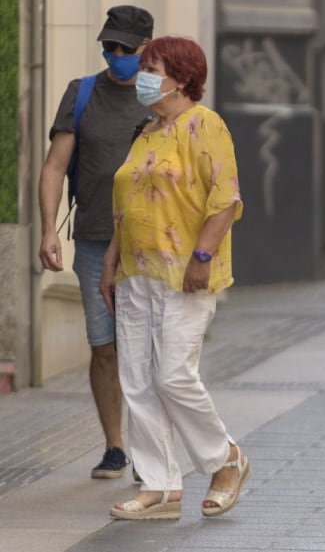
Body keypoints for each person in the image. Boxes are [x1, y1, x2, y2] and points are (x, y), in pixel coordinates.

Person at [99, 36, 248, 520]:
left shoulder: (205, 124)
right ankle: (160, 486)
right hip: (135, 271)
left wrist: (202, 255)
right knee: (137, 380)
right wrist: (111, 262)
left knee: (172, 376)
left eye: (152, 67)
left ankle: (225, 459)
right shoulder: (146, 131)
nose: (143, 76)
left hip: (184, 269)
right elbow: (127, 205)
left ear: (181, 78)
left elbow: (224, 198)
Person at [38, 5, 154, 480]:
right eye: (111, 47)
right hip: (92, 239)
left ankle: (151, 451)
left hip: (150, 243)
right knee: (104, 346)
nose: (117, 56)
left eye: (127, 48)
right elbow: (54, 167)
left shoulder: (162, 97)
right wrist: (48, 230)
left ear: (148, 48)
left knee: (146, 349)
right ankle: (114, 445)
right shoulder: (82, 93)